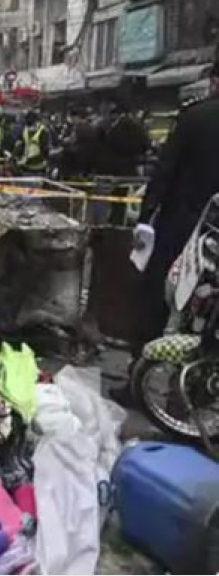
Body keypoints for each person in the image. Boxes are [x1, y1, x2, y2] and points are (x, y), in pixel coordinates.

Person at [110, 60, 219, 406]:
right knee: (209, 316)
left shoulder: (196, 118)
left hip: (182, 229)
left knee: (156, 302)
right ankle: (191, 397)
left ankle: (138, 382)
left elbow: (164, 172)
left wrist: (146, 218)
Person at [16, 109, 50, 175]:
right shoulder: (25, 129)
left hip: (38, 166)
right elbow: (21, 145)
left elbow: (45, 148)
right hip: (26, 165)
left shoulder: (43, 131)